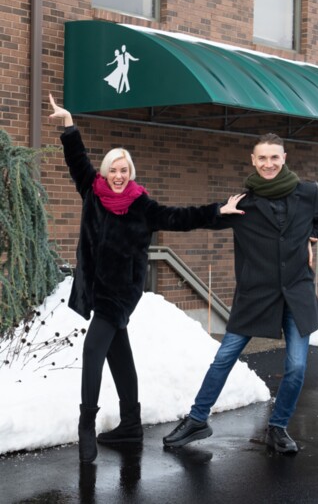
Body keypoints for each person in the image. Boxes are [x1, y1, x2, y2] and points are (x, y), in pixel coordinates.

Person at [48, 94, 245, 464]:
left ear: (131, 173)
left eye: (125, 170)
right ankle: (131, 426)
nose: (119, 176)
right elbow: (77, 158)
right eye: (113, 170)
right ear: (105, 173)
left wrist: (219, 211)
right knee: (118, 354)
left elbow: (180, 217)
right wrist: (69, 121)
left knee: (94, 350)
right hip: (94, 285)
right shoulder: (92, 191)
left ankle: (86, 424)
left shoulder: (142, 206)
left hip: (120, 292)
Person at [163, 133, 318, 454]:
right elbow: (192, 217)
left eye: (274, 157)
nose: (268, 163)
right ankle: (197, 419)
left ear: (284, 158)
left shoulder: (308, 194)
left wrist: (310, 240)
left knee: (297, 366)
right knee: (224, 357)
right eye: (262, 158)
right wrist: (217, 212)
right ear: (253, 161)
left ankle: (278, 427)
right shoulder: (243, 205)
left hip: (296, 294)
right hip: (256, 295)